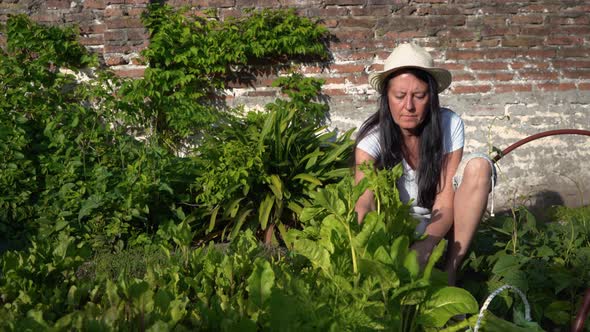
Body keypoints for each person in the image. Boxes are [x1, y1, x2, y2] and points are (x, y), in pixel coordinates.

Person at [354, 43, 496, 285]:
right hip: (396, 228)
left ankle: (450, 273)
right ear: (386, 97)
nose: (408, 106)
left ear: (432, 97)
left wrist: (426, 245)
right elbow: (364, 201)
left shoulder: (449, 124)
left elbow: (445, 200)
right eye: (399, 96)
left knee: (480, 166)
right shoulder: (371, 139)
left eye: (419, 96)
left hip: (441, 221)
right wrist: (363, 250)